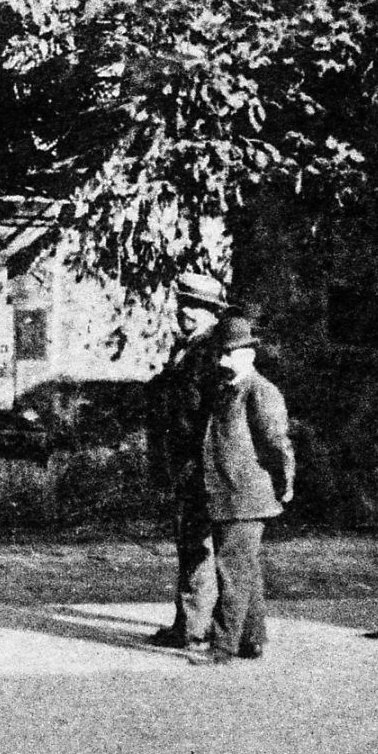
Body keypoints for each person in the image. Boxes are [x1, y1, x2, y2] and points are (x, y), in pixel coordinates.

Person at [188, 315, 295, 664]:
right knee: (245, 569)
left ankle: (222, 648)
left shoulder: (261, 391)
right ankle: (252, 639)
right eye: (220, 353)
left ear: (249, 354)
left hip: (247, 497)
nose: (221, 360)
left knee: (232, 573)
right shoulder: (226, 389)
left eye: (229, 354)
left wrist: (285, 484)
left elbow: (277, 445)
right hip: (226, 495)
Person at [148, 270, 229, 648]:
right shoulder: (186, 347)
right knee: (190, 542)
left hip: (201, 465)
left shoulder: (213, 352)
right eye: (183, 303)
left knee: (198, 544)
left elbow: (214, 417)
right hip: (183, 463)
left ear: (214, 313)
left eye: (196, 306)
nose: (186, 312)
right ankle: (192, 621)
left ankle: (194, 627)